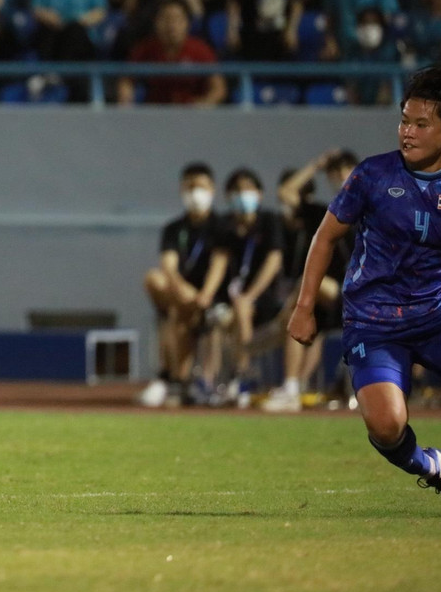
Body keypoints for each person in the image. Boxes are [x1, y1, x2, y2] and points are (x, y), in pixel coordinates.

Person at [288, 64, 441, 513]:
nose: (407, 131)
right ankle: (430, 467)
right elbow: (325, 236)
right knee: (386, 426)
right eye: (404, 119)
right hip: (373, 323)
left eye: (422, 124)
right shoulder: (372, 176)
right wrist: (304, 306)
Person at [263, 150, 356, 412]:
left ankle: (293, 385)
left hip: (365, 292)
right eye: (334, 173)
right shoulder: (324, 213)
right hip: (331, 295)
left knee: (305, 294)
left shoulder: (372, 206)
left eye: (345, 170)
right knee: (308, 316)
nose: (340, 176)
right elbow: (285, 192)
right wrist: (316, 164)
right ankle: (296, 387)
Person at [197, 169, 286, 407]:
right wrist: (206, 294)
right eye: (236, 190)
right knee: (217, 319)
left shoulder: (269, 221)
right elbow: (219, 262)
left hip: (265, 301)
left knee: (242, 307)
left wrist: (250, 295)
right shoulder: (225, 227)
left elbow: (273, 261)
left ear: (259, 193)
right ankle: (210, 383)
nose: (242, 195)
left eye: (248, 189)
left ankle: (243, 375)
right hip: (232, 301)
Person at [138, 162, 219, 408]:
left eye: (201, 186)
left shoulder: (220, 226)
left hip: (211, 297)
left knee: (175, 316)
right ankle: (178, 381)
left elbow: (220, 264)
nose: (195, 193)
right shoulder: (174, 229)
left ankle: (172, 378)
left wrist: (205, 294)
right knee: (159, 286)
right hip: (181, 295)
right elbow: (168, 267)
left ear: (212, 189)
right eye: (190, 187)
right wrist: (182, 290)